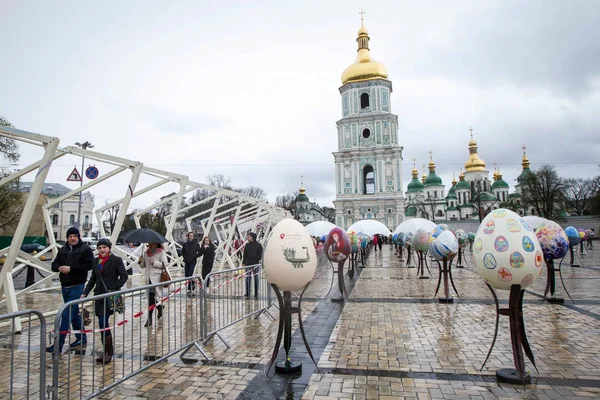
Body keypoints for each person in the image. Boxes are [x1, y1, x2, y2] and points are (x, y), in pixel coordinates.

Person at [47, 227, 94, 353]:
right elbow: (53, 265)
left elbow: (89, 265)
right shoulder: (63, 249)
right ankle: (82, 338)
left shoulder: (85, 249)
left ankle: (58, 345)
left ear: (78, 237)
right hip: (65, 284)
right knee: (73, 313)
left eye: (74, 236)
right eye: (70, 236)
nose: (72, 238)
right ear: (67, 238)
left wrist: (71, 268)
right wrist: (60, 268)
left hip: (77, 284)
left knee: (66, 314)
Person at [81, 239, 128, 364]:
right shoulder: (96, 261)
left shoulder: (116, 260)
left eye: (104, 247)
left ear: (109, 248)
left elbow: (124, 276)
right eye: (100, 247)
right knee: (102, 324)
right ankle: (106, 351)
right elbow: (93, 279)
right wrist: (85, 292)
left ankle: (108, 352)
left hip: (109, 296)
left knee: (103, 322)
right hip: (98, 296)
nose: (102, 250)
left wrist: (113, 287)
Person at [140, 242, 168, 327]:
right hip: (148, 278)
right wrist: (140, 261)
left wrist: (154, 263)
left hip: (156, 278)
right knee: (151, 297)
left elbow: (165, 264)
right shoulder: (145, 253)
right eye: (149, 243)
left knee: (151, 297)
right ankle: (159, 307)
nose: (150, 244)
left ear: (156, 244)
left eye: (152, 243)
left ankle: (149, 318)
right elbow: (143, 266)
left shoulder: (161, 252)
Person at [242, 232, 263, 298]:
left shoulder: (258, 245)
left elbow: (260, 254)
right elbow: (245, 254)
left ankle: (256, 292)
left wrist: (256, 259)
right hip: (248, 264)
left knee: (256, 278)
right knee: (248, 279)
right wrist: (244, 262)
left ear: (252, 237)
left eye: (249, 237)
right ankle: (247, 292)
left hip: (255, 264)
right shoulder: (247, 245)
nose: (247, 238)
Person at [181, 232, 200, 296]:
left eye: (192, 235)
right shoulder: (185, 244)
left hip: (193, 261)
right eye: (190, 235)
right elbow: (182, 252)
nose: (191, 237)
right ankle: (193, 283)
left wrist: (195, 256)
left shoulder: (196, 244)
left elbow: (199, 252)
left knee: (190, 274)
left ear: (193, 236)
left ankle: (189, 288)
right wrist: (185, 257)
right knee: (186, 275)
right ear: (188, 236)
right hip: (187, 261)